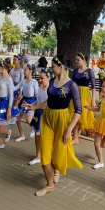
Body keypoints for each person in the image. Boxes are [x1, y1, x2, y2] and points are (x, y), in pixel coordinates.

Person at [23, 55, 83, 197]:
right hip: (48, 118)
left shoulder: (71, 85)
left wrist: (69, 130)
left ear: (61, 67)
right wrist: (34, 106)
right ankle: (49, 185)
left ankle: (55, 170)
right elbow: (49, 101)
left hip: (62, 120)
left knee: (58, 151)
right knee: (45, 153)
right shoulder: (52, 81)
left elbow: (78, 111)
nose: (51, 69)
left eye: (53, 67)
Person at [71, 52, 96, 143]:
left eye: (78, 60)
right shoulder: (75, 71)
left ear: (84, 60)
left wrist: (93, 100)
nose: (76, 61)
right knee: (74, 115)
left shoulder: (89, 71)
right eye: (76, 60)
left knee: (82, 116)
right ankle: (76, 138)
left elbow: (93, 87)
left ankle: (78, 134)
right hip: (75, 94)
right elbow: (72, 84)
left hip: (85, 95)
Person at [27, 68, 49, 166]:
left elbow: (47, 103)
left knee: (46, 137)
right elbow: (38, 101)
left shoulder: (50, 91)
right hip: (38, 114)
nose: (40, 80)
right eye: (39, 78)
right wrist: (30, 105)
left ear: (48, 78)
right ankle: (38, 156)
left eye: (42, 78)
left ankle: (46, 155)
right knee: (37, 135)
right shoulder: (39, 90)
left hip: (47, 115)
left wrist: (35, 106)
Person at [17, 64, 39, 139]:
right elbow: (15, 87)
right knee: (18, 119)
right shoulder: (23, 81)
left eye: (25, 70)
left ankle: (33, 128)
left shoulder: (34, 82)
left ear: (30, 71)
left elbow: (37, 94)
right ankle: (22, 135)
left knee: (28, 120)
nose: (24, 71)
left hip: (31, 101)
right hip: (24, 101)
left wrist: (37, 105)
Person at [11, 55, 26, 142]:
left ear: (19, 61)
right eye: (13, 59)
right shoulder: (12, 70)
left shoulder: (21, 71)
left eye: (15, 60)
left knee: (15, 106)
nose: (14, 61)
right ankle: (14, 118)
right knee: (13, 105)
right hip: (13, 88)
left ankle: (14, 117)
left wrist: (20, 91)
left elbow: (22, 82)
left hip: (18, 89)